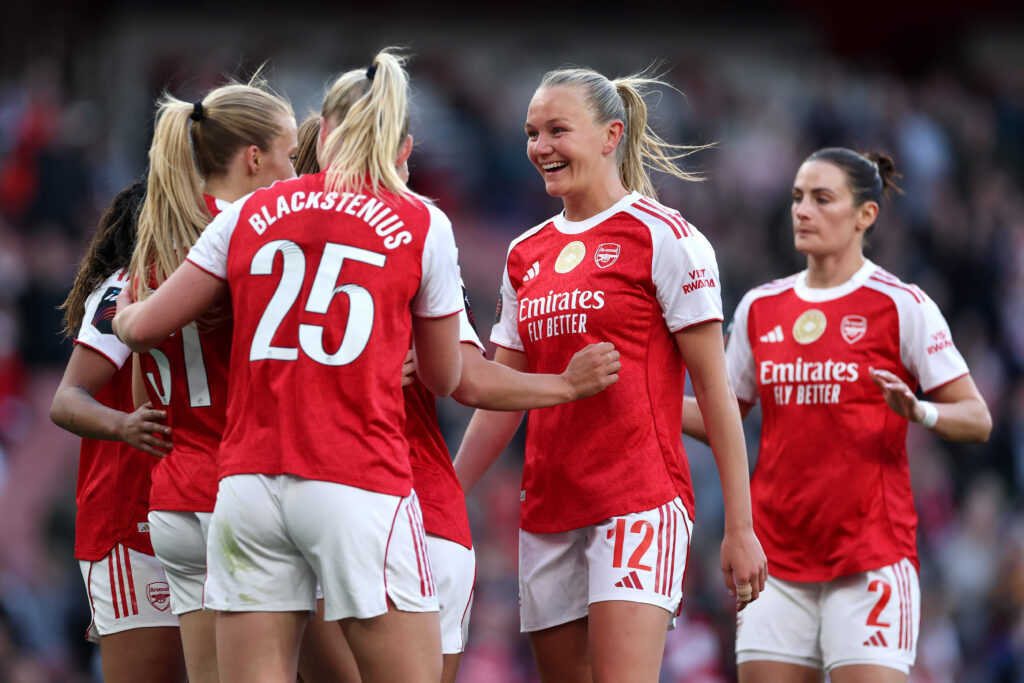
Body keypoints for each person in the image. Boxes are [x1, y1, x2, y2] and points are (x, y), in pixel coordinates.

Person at [112, 49, 463, 683]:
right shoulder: (423, 222)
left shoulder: (250, 212)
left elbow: (141, 327)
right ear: (401, 145)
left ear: (321, 133)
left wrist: (123, 315)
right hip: (359, 478)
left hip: (246, 487)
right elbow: (445, 379)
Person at [453, 67, 767, 683]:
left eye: (557, 130)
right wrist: (447, 491)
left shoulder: (667, 238)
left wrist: (740, 526)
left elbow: (714, 391)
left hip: (638, 502)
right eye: (531, 133)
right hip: (547, 506)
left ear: (609, 135)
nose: (541, 147)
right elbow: (503, 397)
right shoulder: (525, 255)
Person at [291, 114, 623, 683]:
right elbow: (467, 378)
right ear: (400, 156)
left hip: (309, 505)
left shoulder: (256, 253)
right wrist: (564, 386)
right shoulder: (413, 232)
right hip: (417, 512)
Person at [681, 147, 992, 683]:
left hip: (871, 559)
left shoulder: (902, 305)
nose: (803, 211)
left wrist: (920, 411)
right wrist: (640, 395)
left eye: (823, 199)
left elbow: (977, 417)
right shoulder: (760, 307)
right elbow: (722, 419)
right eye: (798, 197)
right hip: (775, 559)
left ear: (865, 215)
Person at [128, 78, 298, 683]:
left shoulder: (156, 239)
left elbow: (138, 363)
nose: (296, 171)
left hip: (174, 494)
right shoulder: (255, 239)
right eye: (290, 153)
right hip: (244, 491)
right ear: (255, 158)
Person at [50, 179, 187, 683]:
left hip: (191, 511)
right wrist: (125, 425)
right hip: (130, 523)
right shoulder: (123, 287)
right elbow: (66, 401)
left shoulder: (204, 286)